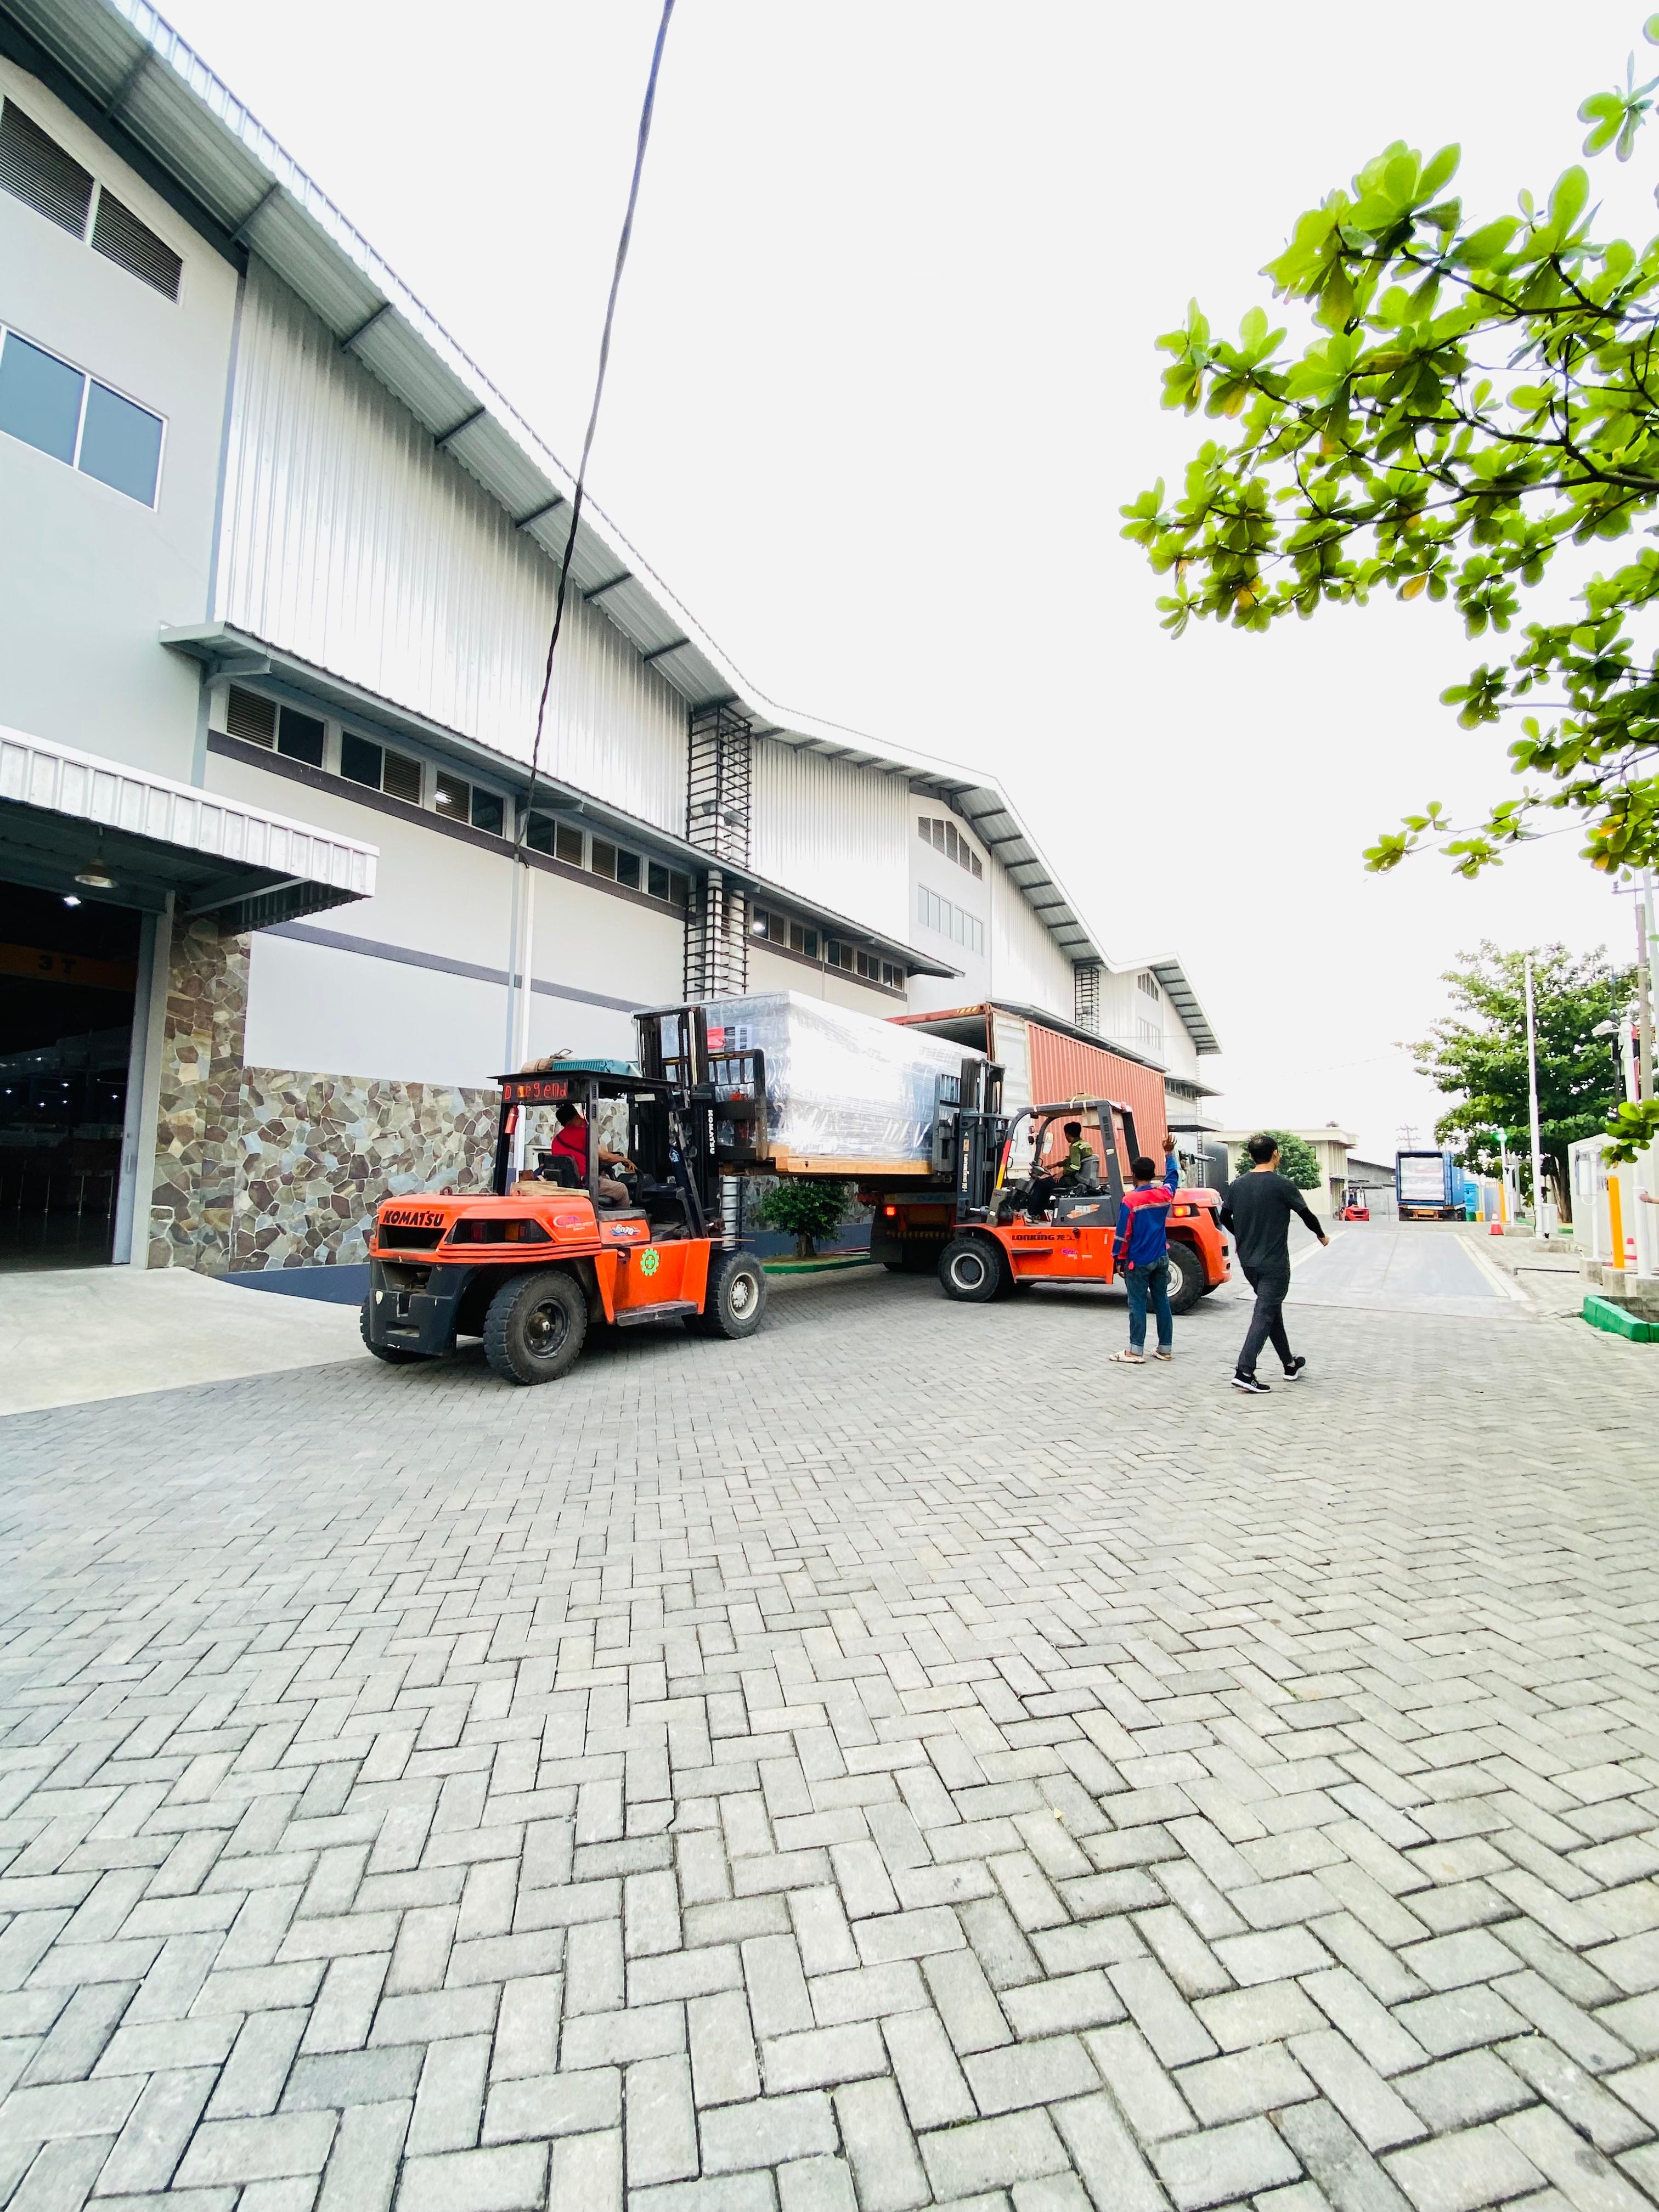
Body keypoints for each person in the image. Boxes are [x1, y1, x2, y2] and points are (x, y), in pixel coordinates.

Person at [1220, 1133, 1329, 1393]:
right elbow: (1306, 1214)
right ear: (1276, 1154)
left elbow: (1224, 1216)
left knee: (1271, 1311)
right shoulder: (1282, 1184)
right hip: (1275, 1264)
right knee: (1264, 1314)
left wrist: (1242, 1237)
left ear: (1250, 1156)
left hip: (1249, 1263)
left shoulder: (1237, 1185)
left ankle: (1290, 1364)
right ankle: (1245, 1371)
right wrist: (1321, 1236)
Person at [1111, 1137, 1180, 1364]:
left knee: (1137, 1304)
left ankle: (1135, 1351)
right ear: (1152, 1175)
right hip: (1161, 1256)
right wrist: (1169, 1154)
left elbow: (1123, 1234)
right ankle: (1165, 1349)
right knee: (1162, 1301)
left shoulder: (1130, 1201)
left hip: (1138, 1261)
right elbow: (1173, 1178)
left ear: (1133, 1174)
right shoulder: (1164, 1195)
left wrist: (1118, 1259)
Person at [521, 1101, 633, 1205]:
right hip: (585, 1184)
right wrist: (624, 1160)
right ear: (575, 1117)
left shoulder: (557, 1140)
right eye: (579, 1116)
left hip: (566, 1185)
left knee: (607, 1180)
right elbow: (603, 1156)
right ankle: (626, 1225)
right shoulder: (585, 1134)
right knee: (622, 1189)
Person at [1026, 1121, 1096, 1217]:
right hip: (1080, 1177)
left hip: (1072, 1179)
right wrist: (1055, 1165)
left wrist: (1061, 1173)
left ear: (1068, 1134)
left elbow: (1075, 1166)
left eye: (1066, 1135)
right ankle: (1040, 1213)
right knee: (1047, 1186)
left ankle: (1032, 1213)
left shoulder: (1075, 1147)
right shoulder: (1085, 1145)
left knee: (1040, 1184)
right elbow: (1071, 1161)